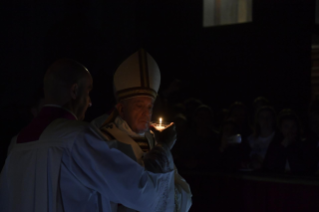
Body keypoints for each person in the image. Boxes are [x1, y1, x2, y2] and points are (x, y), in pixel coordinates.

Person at [0, 59, 177, 212]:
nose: (90, 102)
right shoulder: (78, 137)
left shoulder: (16, 143)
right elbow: (140, 192)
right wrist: (163, 148)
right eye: (88, 92)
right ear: (75, 91)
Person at [92, 49, 192, 212]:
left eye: (149, 106)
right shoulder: (101, 134)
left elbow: (182, 192)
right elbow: (135, 194)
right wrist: (163, 149)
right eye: (139, 106)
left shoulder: (151, 136)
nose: (146, 113)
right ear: (121, 108)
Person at [263, 109, 307, 174]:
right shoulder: (275, 145)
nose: (290, 130)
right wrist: (283, 146)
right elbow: (269, 167)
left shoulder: (304, 145)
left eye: (293, 127)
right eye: (286, 127)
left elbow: (302, 169)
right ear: (281, 128)